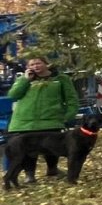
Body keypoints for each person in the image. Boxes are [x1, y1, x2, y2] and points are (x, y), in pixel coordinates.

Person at [4, 57, 79, 189]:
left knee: (52, 147)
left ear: (46, 64)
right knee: (26, 151)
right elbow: (13, 95)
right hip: (24, 122)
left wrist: (67, 117)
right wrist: (25, 80)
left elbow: (72, 99)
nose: (35, 66)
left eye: (38, 63)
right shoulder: (24, 79)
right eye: (31, 64)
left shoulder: (60, 79)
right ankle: (29, 175)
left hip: (51, 121)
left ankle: (52, 169)